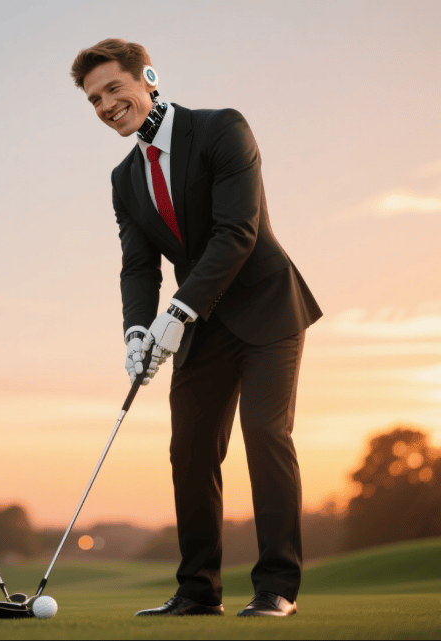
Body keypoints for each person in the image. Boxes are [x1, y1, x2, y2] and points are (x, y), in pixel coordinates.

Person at [70, 39, 322, 617]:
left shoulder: (221, 129)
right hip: (202, 325)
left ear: (148, 78)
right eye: (94, 100)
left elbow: (238, 229)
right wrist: (136, 332)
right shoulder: (124, 177)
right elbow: (138, 265)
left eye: (114, 88)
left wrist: (178, 312)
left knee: (265, 434)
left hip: (265, 309)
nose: (107, 105)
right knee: (189, 450)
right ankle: (198, 590)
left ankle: (276, 587)